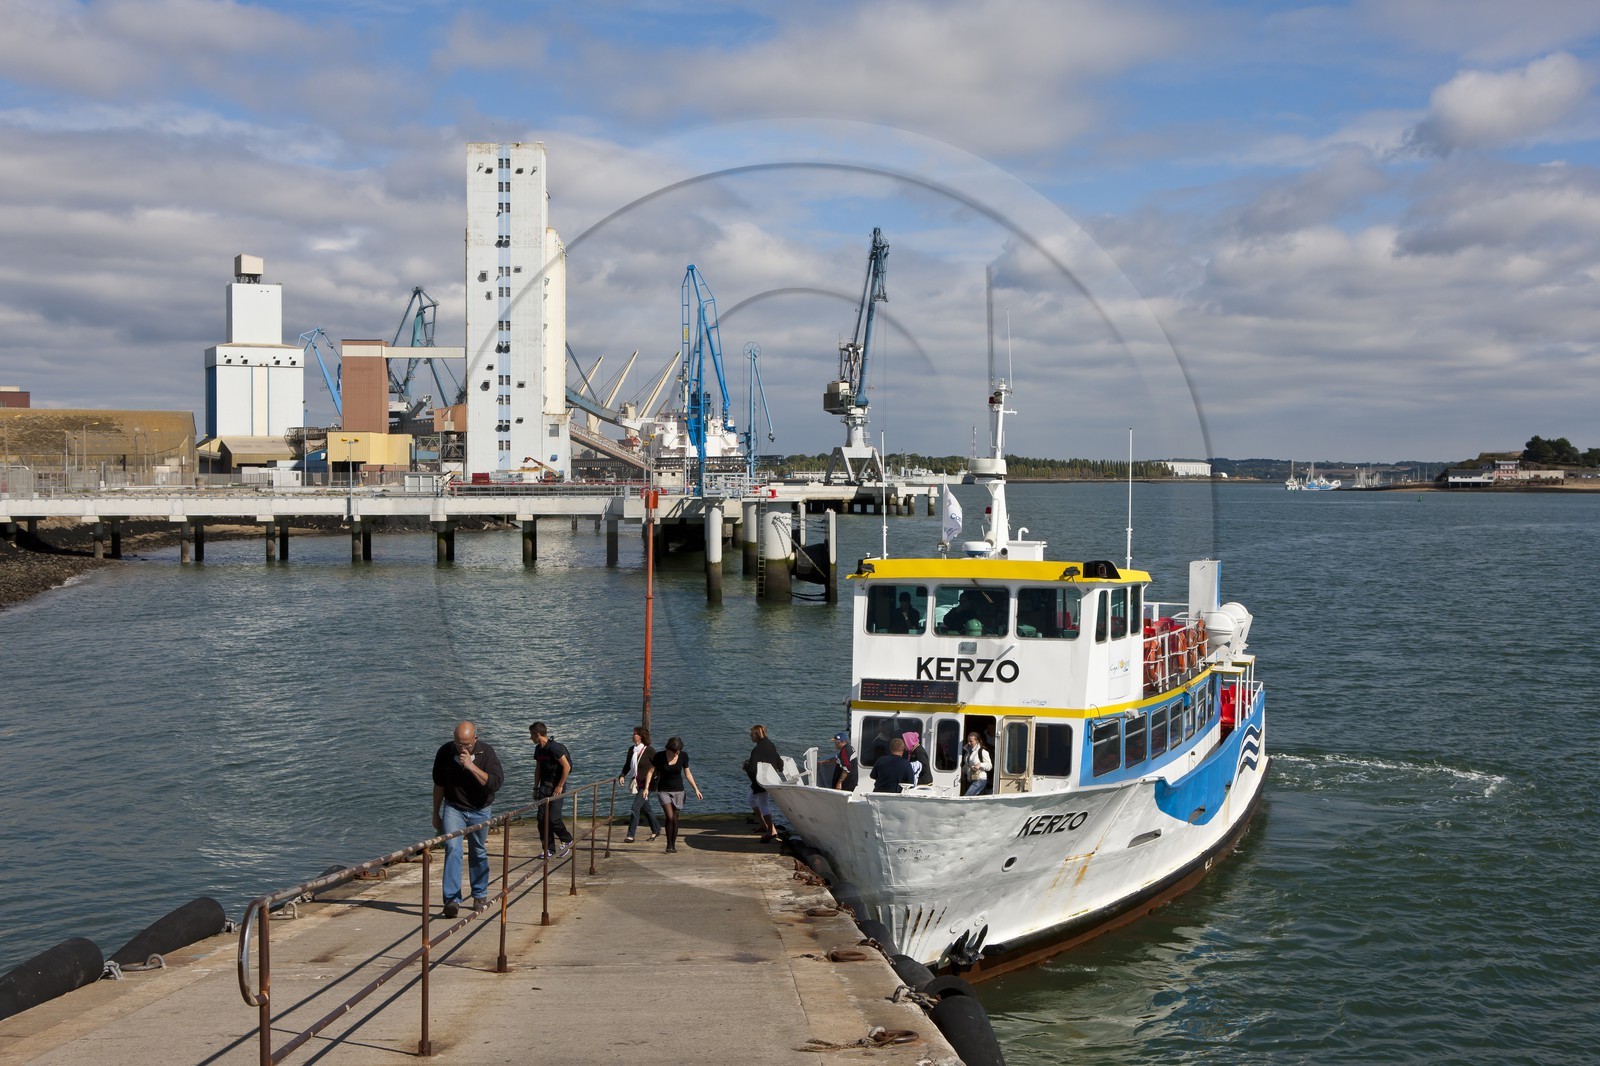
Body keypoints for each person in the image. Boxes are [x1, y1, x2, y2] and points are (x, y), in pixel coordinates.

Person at [431, 720, 505, 918]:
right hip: (454, 808)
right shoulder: (445, 752)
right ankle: (452, 900)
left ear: (475, 739)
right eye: (458, 743)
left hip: (480, 809)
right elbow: (438, 785)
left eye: (466, 744)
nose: (462, 748)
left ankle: (480, 894)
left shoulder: (486, 753)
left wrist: (471, 766)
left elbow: (495, 784)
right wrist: (435, 813)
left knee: (478, 850)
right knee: (453, 848)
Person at [641, 736, 701, 853]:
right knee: (669, 816)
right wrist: (646, 788)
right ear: (669, 748)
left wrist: (696, 789)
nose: (677, 753)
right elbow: (650, 772)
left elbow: (688, 774)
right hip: (664, 790)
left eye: (678, 751)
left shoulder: (683, 756)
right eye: (675, 751)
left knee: (675, 819)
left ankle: (673, 845)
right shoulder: (660, 756)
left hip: (679, 790)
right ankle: (668, 844)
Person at [529, 721, 573, 859]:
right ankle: (549, 848)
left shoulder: (555, 748)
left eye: (531, 735)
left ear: (537, 734)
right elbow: (538, 768)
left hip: (556, 786)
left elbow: (566, 767)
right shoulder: (538, 749)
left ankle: (567, 840)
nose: (530, 738)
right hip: (543, 787)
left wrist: (560, 786)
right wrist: (535, 787)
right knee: (542, 820)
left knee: (553, 819)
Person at [617, 725, 660, 843]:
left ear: (641, 736)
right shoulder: (631, 749)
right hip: (638, 783)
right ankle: (656, 829)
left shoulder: (649, 750)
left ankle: (631, 835)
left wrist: (654, 780)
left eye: (635, 733)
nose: (633, 735)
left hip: (648, 785)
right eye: (633, 733)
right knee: (646, 809)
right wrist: (622, 775)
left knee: (635, 807)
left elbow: (658, 766)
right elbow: (627, 765)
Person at [745, 724, 784, 842]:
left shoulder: (757, 749)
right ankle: (764, 825)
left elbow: (752, 769)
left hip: (761, 782)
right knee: (751, 799)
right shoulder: (770, 744)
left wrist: (746, 766)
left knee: (763, 804)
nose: (750, 736)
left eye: (751, 734)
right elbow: (780, 764)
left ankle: (771, 831)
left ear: (756, 735)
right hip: (770, 779)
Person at [963, 731, 992, 796]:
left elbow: (989, 766)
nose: (969, 743)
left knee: (966, 798)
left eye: (971, 741)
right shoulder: (967, 753)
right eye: (968, 741)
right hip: (970, 779)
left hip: (980, 780)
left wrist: (980, 765)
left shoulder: (983, 752)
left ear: (977, 741)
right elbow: (966, 766)